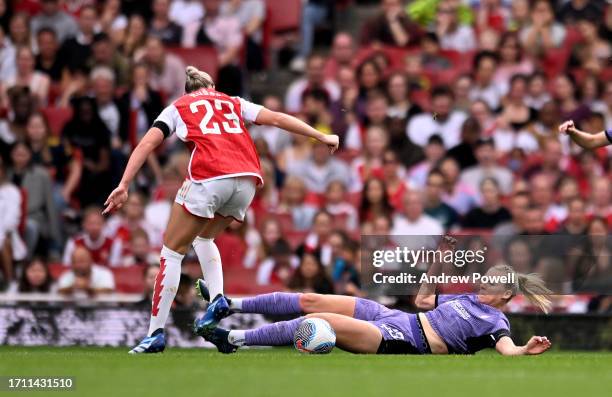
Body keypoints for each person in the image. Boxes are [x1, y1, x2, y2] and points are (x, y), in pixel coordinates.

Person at [103, 66, 339, 354]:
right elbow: (277, 118)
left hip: (210, 176)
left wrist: (124, 184)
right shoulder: (232, 101)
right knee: (204, 238)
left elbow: (148, 143)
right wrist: (320, 136)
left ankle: (155, 333)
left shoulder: (177, 106)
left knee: (171, 252)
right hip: (248, 180)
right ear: (212, 86)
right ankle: (217, 298)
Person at [196, 237, 552, 356]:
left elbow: (506, 347)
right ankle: (228, 304)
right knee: (313, 301)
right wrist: (439, 262)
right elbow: (424, 302)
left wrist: (523, 349)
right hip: (399, 318)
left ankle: (231, 339)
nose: (481, 284)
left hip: (407, 339)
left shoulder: (495, 321)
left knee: (318, 323)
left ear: (506, 293)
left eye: (490, 283)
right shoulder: (469, 300)